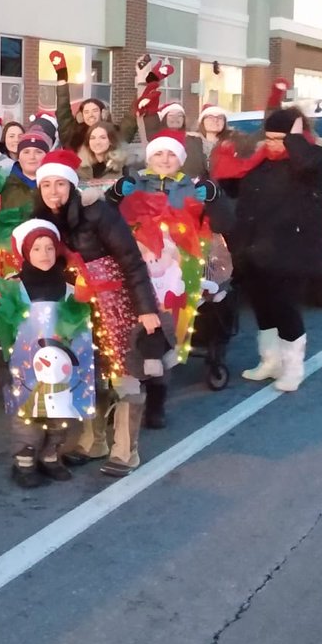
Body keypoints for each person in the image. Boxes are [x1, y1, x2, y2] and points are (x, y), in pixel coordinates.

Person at [32, 149, 162, 478]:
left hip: (115, 301)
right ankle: (94, 441)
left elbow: (131, 260)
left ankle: (126, 450)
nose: (52, 192)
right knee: (89, 371)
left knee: (123, 371)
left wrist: (146, 310)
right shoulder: (42, 218)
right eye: (46, 185)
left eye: (59, 184)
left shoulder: (99, 212)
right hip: (78, 305)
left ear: (72, 185)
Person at [105, 130, 233, 428]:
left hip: (177, 272)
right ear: (150, 157)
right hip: (137, 267)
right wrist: (113, 195)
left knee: (167, 334)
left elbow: (224, 224)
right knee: (131, 333)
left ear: (181, 159)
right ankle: (129, 399)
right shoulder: (133, 183)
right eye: (158, 154)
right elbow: (105, 217)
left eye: (171, 154)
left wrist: (216, 199)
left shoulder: (194, 187)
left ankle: (157, 401)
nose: (164, 159)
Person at [212, 102, 322, 392]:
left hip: (291, 250)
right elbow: (232, 187)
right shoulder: (261, 161)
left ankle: (293, 367)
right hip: (254, 248)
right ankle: (271, 360)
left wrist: (295, 137)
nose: (274, 145)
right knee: (263, 307)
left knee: (285, 307)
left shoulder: (313, 157)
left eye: (281, 139)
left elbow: (307, 162)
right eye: (271, 138)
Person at [0, 219, 86, 488]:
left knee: (59, 414)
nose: (44, 254)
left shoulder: (69, 286)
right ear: (24, 252)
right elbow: (1, 327)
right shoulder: (14, 286)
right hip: (25, 368)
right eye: (36, 249)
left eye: (49, 248)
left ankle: (50, 455)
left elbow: (81, 325)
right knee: (29, 416)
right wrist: (2, 363)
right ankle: (24, 461)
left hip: (62, 367)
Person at [50, 51, 139, 148]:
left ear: (103, 113)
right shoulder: (71, 134)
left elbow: (131, 120)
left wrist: (143, 83)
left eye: (95, 111)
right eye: (86, 112)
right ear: (81, 116)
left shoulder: (115, 134)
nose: (91, 115)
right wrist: (62, 75)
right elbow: (63, 109)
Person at [141, 102, 208, 179]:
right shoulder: (158, 139)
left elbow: (202, 165)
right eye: (171, 115)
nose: (175, 118)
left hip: (191, 184)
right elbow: (151, 118)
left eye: (180, 116)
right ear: (164, 118)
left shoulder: (194, 139)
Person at [77, 122, 130, 205]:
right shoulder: (79, 168)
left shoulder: (122, 166)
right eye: (92, 138)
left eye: (103, 138)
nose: (97, 142)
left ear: (111, 141)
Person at [0, 130, 50, 212]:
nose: (32, 157)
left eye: (38, 152)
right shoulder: (6, 185)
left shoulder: (54, 185)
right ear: (18, 158)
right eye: (26, 152)